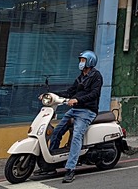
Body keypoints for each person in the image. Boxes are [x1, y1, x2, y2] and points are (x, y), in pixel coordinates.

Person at [48, 50, 103, 183]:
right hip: (75, 110)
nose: (80, 63)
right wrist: (50, 94)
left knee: (77, 135)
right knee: (57, 131)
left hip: (87, 111)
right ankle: (50, 164)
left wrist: (77, 100)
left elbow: (94, 94)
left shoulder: (96, 76)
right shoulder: (80, 77)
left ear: (90, 62)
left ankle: (70, 169)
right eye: (80, 60)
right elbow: (69, 92)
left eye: (83, 60)